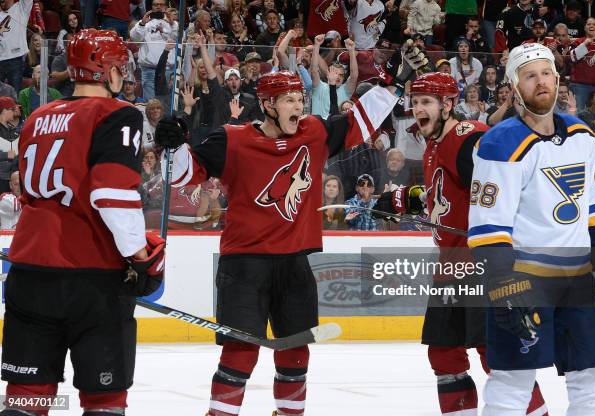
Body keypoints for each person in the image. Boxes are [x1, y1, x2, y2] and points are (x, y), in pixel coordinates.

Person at [154, 40, 428, 415]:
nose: (298, 107)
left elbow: (359, 121)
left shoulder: (312, 133)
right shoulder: (232, 139)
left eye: (300, 100)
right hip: (244, 265)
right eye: (289, 101)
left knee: (296, 352)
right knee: (240, 352)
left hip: (295, 262)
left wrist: (393, 83)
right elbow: (182, 174)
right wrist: (173, 145)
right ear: (267, 105)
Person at [0, 29, 166, 416]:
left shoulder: (38, 116)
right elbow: (111, 194)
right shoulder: (118, 114)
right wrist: (139, 255)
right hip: (92, 276)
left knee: (26, 396)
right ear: (108, 72)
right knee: (103, 399)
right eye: (120, 68)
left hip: (28, 272)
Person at [371, 71, 548, 416]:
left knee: (496, 355)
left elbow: (503, 189)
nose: (417, 108)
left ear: (449, 104)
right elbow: (446, 194)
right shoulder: (434, 144)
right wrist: (402, 199)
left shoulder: (468, 140)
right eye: (415, 101)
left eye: (426, 102)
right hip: (449, 267)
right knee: (444, 355)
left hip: (480, 266)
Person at [467, 42, 595, 415]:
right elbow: (487, 228)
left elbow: (594, 210)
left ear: (558, 78)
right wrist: (503, 288)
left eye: (546, 73)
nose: (540, 81)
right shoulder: (499, 144)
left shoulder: (582, 135)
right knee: (513, 381)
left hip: (577, 278)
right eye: (530, 76)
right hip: (525, 278)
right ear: (515, 87)